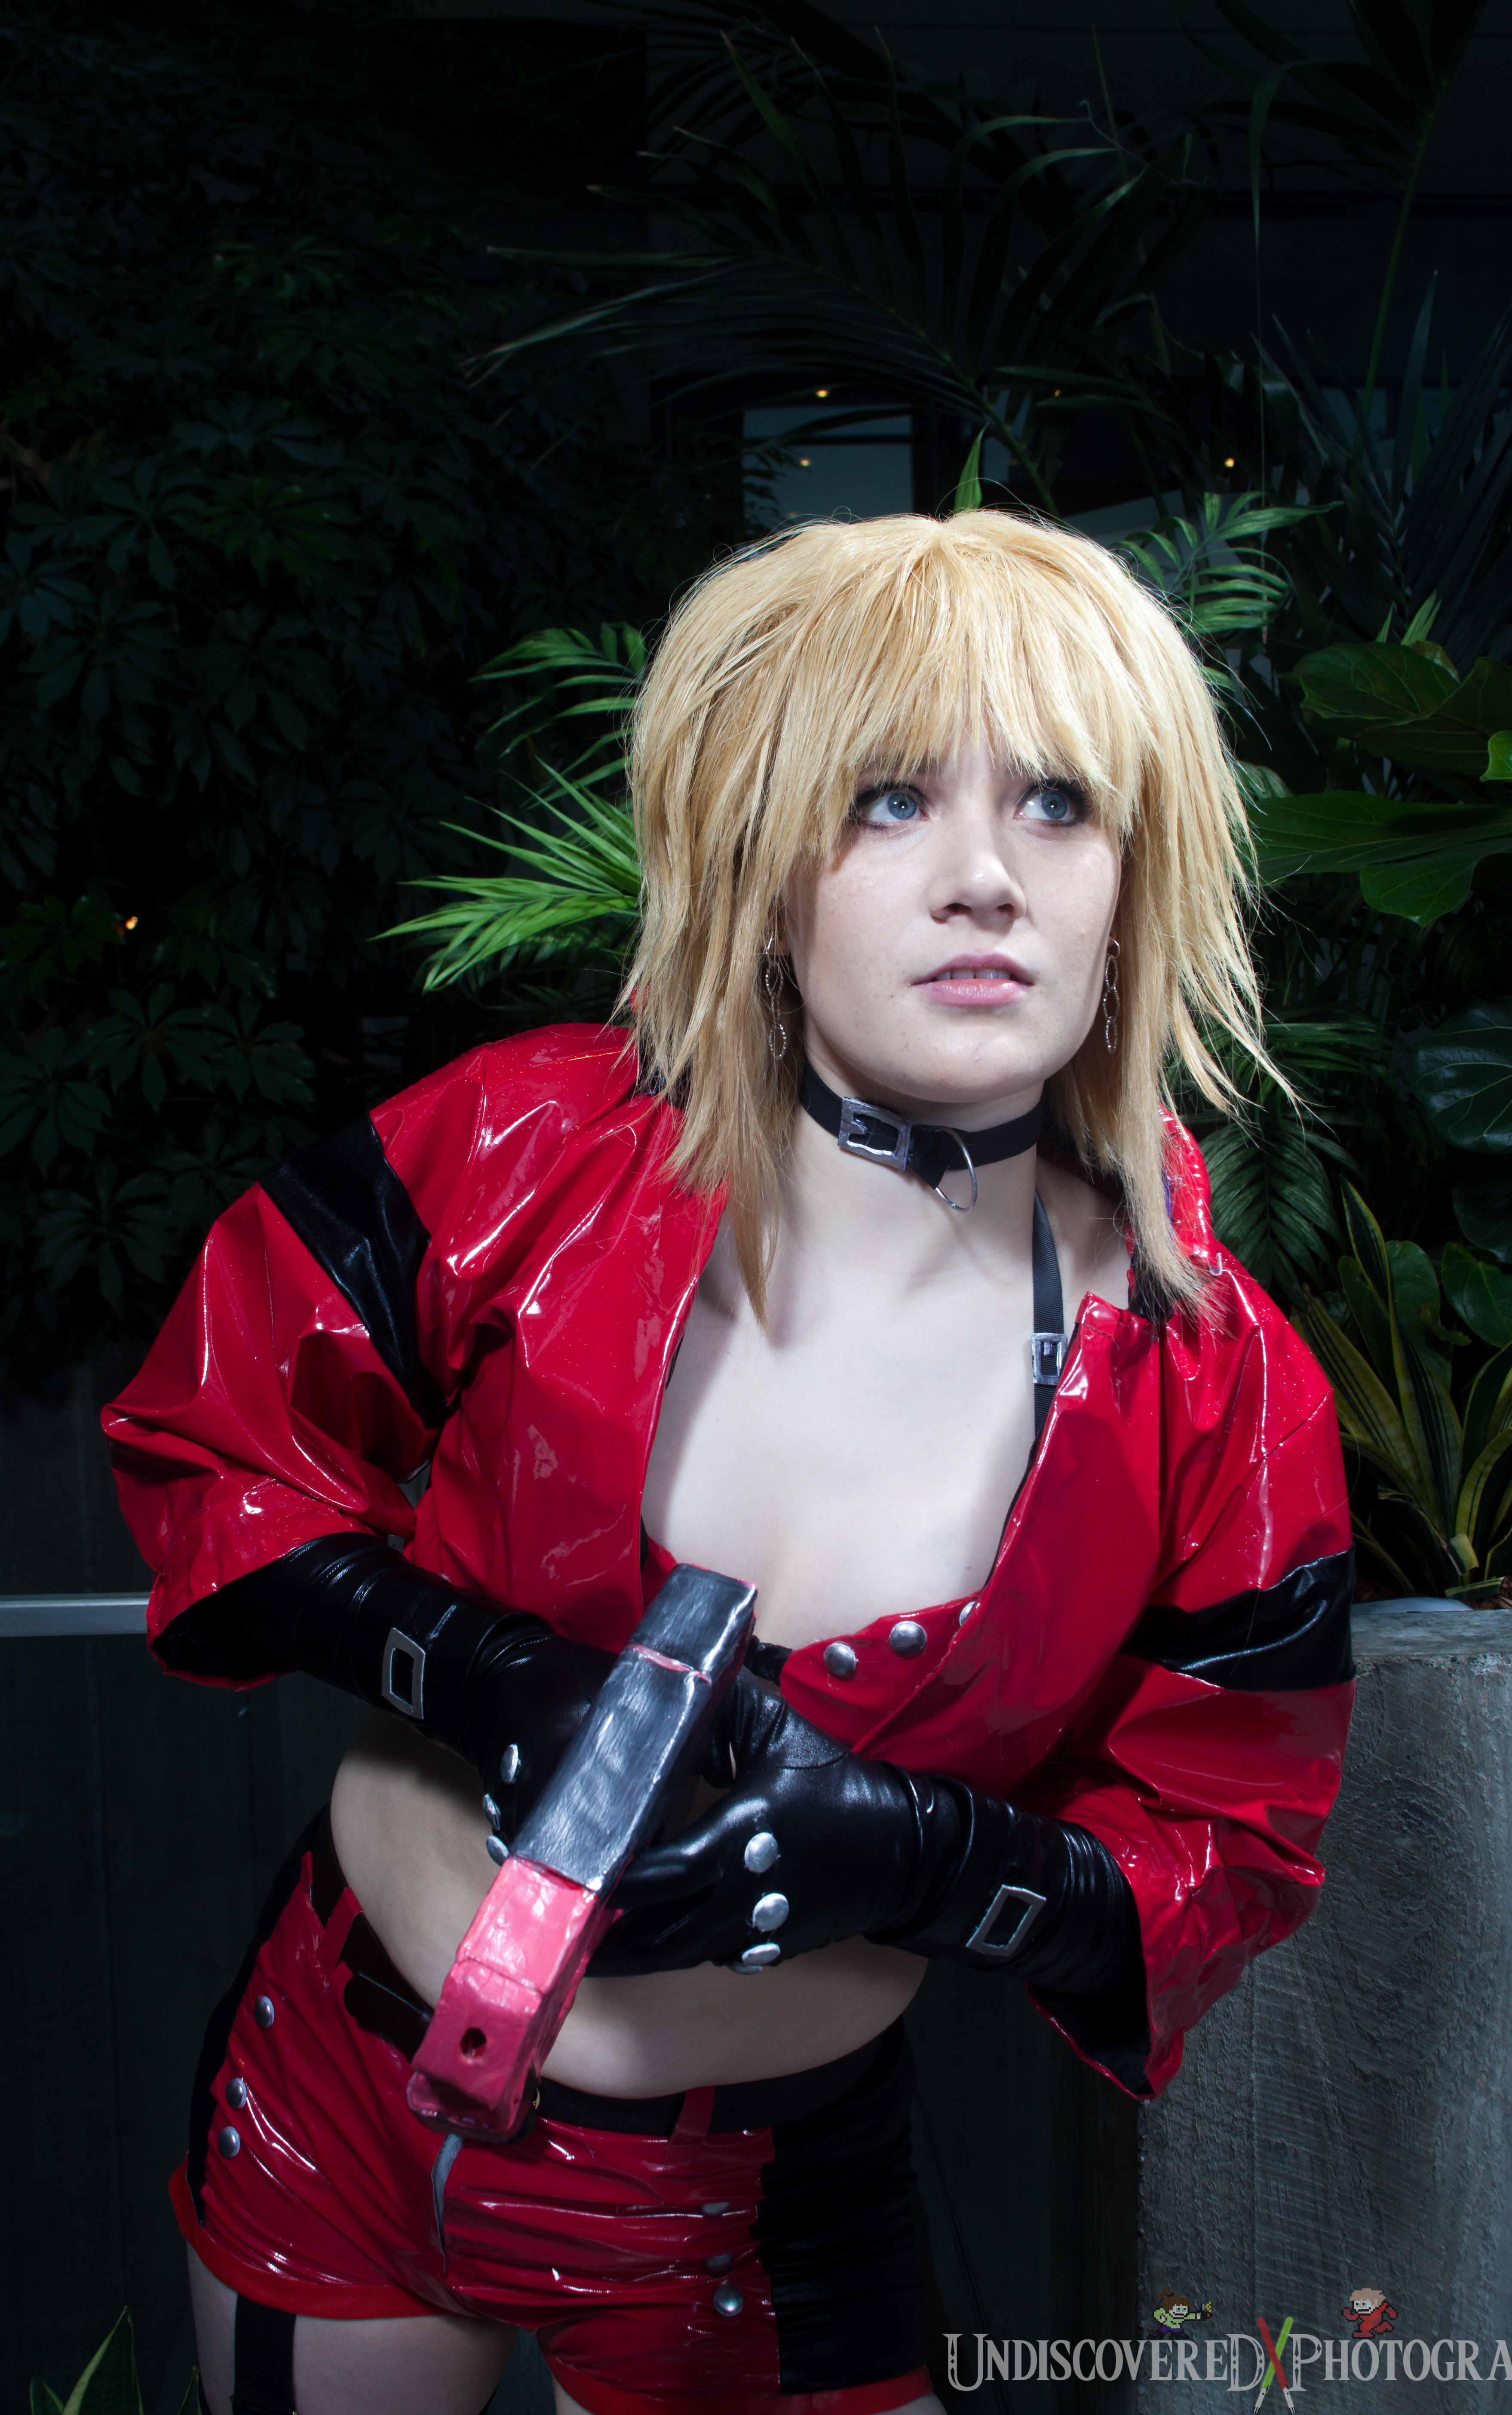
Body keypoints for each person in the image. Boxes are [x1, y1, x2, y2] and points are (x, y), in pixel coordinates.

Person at [104, 510, 1355, 2415]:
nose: (983, 880)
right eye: (884, 801)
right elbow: (219, 1439)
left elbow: (1230, 1856)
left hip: (752, 2215)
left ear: (1134, 881)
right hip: (335, 2099)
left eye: (1056, 806)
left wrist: (927, 1858)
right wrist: (483, 1671)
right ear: (763, 872)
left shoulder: (1217, 1390)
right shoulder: (523, 1155)